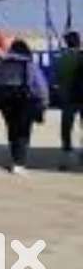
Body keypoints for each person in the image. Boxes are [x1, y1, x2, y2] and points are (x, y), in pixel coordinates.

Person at [0, 40, 49, 175]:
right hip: (25, 102)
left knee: (12, 129)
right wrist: (44, 102)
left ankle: (14, 157)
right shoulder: (29, 65)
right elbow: (41, 86)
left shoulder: (1, 64)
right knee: (23, 132)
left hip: (6, 102)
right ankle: (19, 163)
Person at [55, 31, 82, 170]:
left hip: (67, 97)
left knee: (66, 126)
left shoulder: (61, 59)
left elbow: (58, 77)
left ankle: (66, 152)